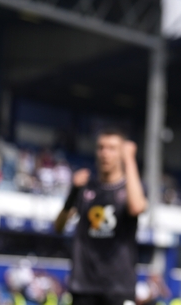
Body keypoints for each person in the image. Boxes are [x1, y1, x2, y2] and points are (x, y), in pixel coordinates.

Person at [54, 129, 147, 305]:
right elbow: (59, 226)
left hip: (119, 287)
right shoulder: (85, 188)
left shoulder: (131, 188)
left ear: (122, 153)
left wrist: (129, 160)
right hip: (84, 286)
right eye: (101, 147)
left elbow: (136, 207)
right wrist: (72, 192)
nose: (105, 153)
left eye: (112, 148)